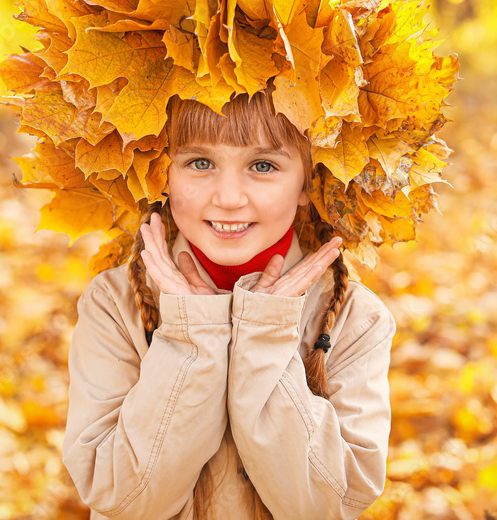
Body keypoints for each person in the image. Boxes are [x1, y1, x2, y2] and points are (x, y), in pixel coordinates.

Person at [62, 90, 398, 519]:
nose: (228, 197)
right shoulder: (114, 303)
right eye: (200, 163)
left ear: (306, 184)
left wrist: (265, 336)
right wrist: (192, 337)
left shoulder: (355, 317)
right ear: (162, 174)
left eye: (263, 166)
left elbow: (325, 505)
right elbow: (122, 498)